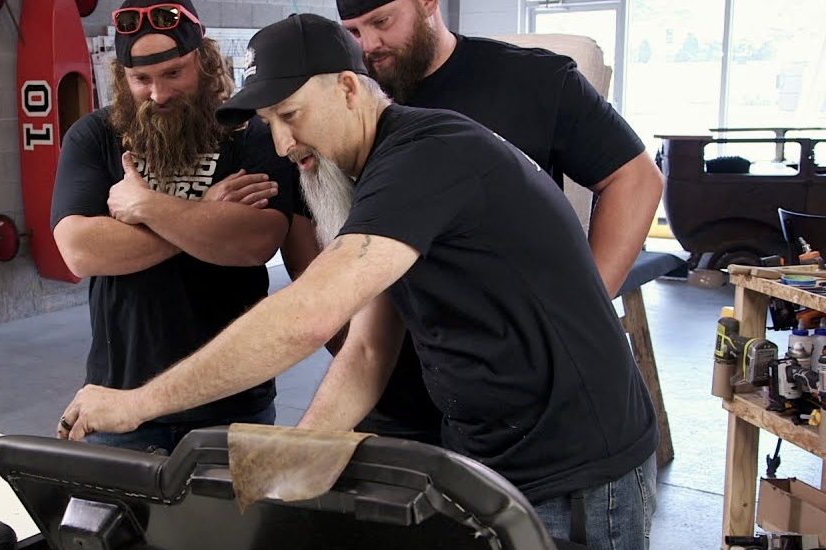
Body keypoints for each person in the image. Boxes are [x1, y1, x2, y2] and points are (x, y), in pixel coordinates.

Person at [57, 14, 657, 550]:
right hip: (486, 452)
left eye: (291, 116)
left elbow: (307, 315)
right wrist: (291, 470)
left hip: (576, 468)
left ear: (348, 88)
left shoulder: (425, 155)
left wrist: (137, 403)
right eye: (269, 123)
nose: (284, 145)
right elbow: (368, 349)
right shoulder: (371, 179)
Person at [281, 0, 666, 444]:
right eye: (352, 31)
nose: (368, 45)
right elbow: (313, 225)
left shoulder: (530, 79)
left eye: (382, 22)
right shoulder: (346, 100)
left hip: (520, 404)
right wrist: (343, 339)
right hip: (393, 389)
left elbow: (635, 178)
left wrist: (579, 314)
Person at [49, 0, 297, 454]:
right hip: (119, 400)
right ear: (122, 77)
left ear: (204, 60)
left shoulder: (250, 133)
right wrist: (205, 210)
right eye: (141, 79)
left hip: (232, 401)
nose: (159, 94)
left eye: (173, 73)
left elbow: (256, 241)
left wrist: (146, 206)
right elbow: (81, 250)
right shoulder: (94, 137)